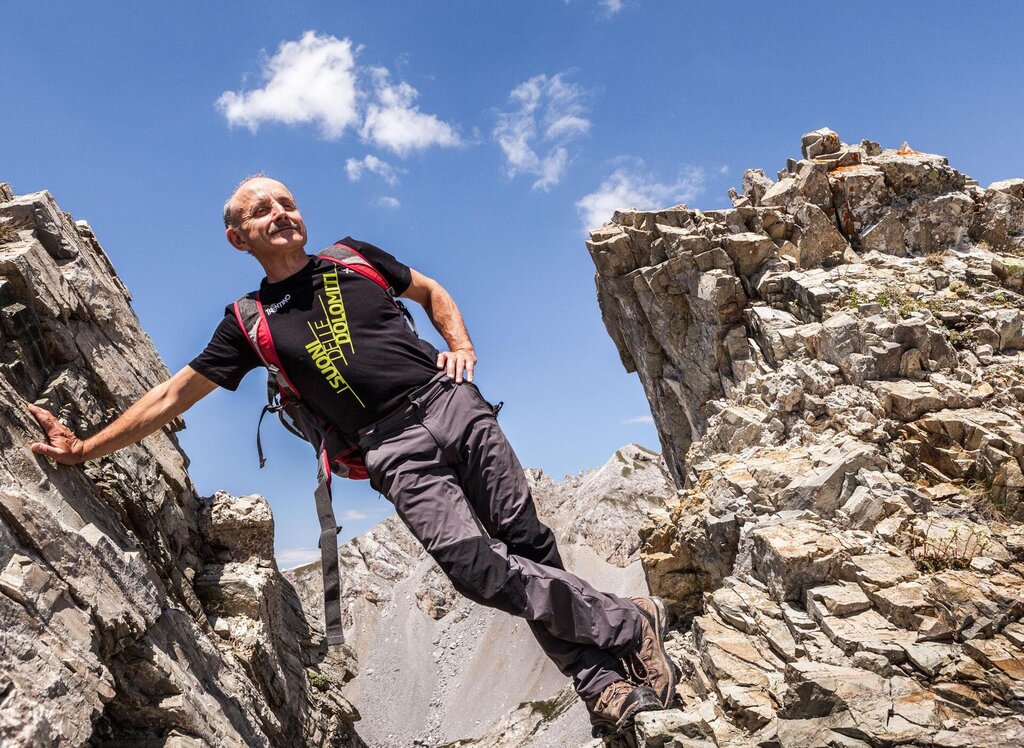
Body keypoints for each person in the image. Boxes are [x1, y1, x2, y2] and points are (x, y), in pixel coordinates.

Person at [27, 175, 676, 737]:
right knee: (477, 567)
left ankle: (609, 693)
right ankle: (626, 621)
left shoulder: (354, 256)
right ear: (238, 237)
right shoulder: (247, 320)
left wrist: (462, 343)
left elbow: (431, 291)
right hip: (389, 447)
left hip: (449, 401)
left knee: (528, 547)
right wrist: (84, 449)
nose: (282, 212)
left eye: (287, 202)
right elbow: (172, 395)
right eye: (262, 210)